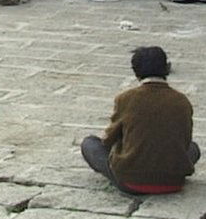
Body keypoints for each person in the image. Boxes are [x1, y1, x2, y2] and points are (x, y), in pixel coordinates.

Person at [81, 46, 200, 194]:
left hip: (131, 181)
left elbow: (108, 139)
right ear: (166, 69)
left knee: (90, 144)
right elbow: (185, 141)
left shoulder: (126, 98)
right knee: (194, 148)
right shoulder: (182, 100)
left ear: (136, 72)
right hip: (173, 180)